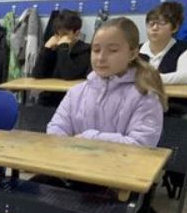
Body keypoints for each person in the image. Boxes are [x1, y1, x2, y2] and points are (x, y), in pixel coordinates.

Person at [47, 17, 165, 147]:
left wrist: (89, 138)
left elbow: (141, 144)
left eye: (113, 50)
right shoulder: (76, 92)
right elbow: (56, 129)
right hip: (73, 160)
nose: (101, 58)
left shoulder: (145, 96)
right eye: (96, 50)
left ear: (132, 54)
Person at [32, 9, 91, 107]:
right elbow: (37, 74)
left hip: (72, 101)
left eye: (65, 34)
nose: (60, 38)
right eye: (57, 34)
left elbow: (69, 76)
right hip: (48, 99)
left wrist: (63, 48)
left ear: (76, 33)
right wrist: (46, 50)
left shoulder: (86, 51)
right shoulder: (53, 49)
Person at [139, 1, 187, 85]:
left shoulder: (185, 50)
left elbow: (185, 77)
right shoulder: (136, 51)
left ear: (175, 28)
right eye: (151, 23)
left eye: (161, 23)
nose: (154, 28)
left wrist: (149, 79)